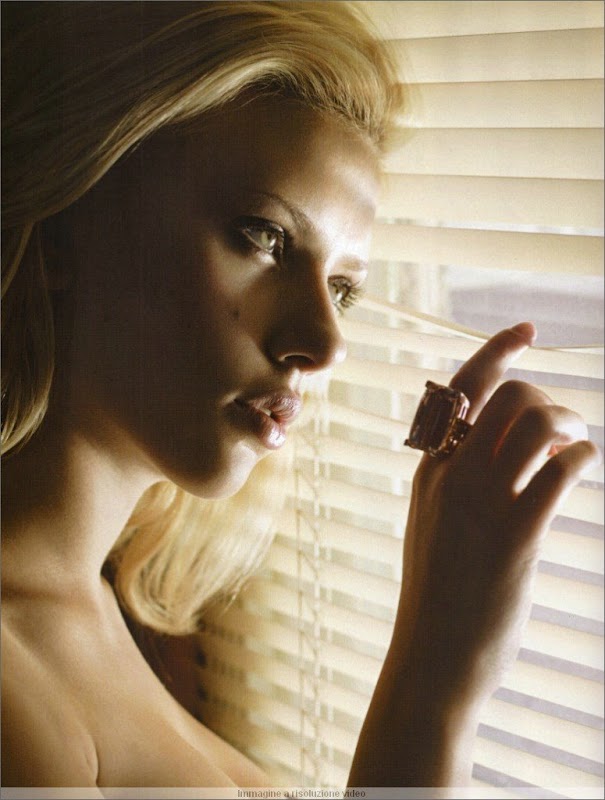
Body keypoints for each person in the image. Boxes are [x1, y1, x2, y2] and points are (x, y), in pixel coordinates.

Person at [1, 1, 600, 793]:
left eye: (343, 289)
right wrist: (434, 682)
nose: (325, 344)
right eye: (265, 237)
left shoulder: (82, 614)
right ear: (62, 228)